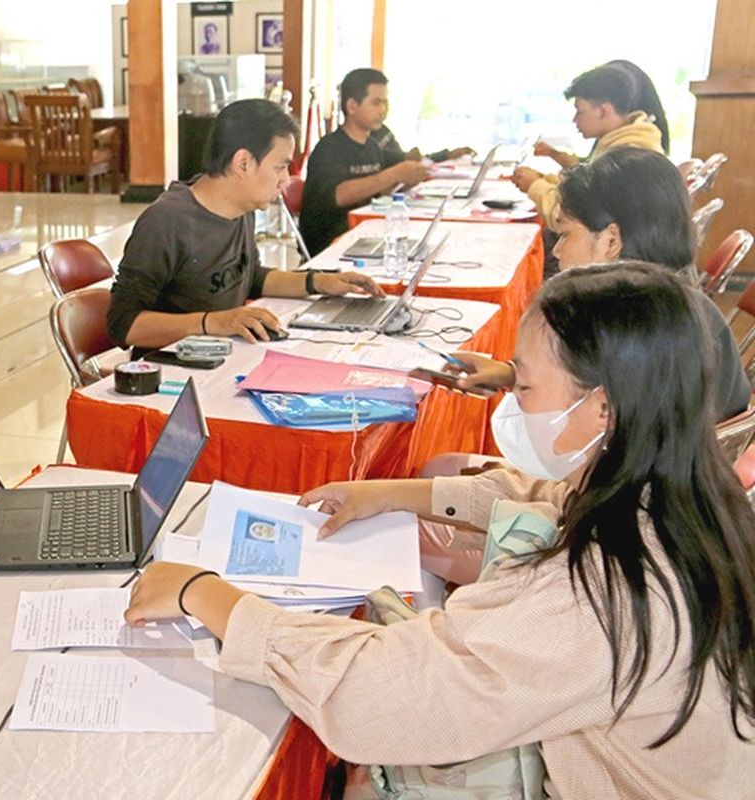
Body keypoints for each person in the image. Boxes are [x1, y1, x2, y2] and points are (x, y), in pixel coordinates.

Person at [127, 263, 755, 799]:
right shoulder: (684, 495)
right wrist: (398, 493)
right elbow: (548, 498)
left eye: (526, 384)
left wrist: (210, 597)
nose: (513, 400)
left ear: (603, 408)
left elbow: (387, 698)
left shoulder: (607, 585)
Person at [457, 147, 750, 422]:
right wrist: (513, 375)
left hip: (632, 475)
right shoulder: (671, 304)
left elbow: (576, 440)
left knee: (445, 468)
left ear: (611, 240)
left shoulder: (629, 328)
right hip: (688, 468)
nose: (557, 251)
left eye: (566, 234)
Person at [107, 98, 384, 351]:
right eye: (280, 167)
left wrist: (322, 281)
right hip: (174, 376)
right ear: (243, 163)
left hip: (223, 357)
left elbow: (251, 277)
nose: (285, 180)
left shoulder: (243, 208)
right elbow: (124, 325)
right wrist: (211, 323)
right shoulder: (167, 221)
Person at [300, 68, 474, 255]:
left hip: (368, 236)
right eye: (376, 103)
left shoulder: (373, 147)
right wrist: (394, 174)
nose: (383, 110)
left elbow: (381, 190)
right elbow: (338, 196)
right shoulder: (329, 148)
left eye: (385, 103)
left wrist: (404, 181)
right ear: (352, 106)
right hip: (332, 244)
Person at [513, 63, 664, 227]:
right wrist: (543, 179)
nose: (575, 119)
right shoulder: (622, 141)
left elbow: (574, 220)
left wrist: (535, 185)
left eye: (580, 111)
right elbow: (584, 191)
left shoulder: (627, 156)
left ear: (603, 111)